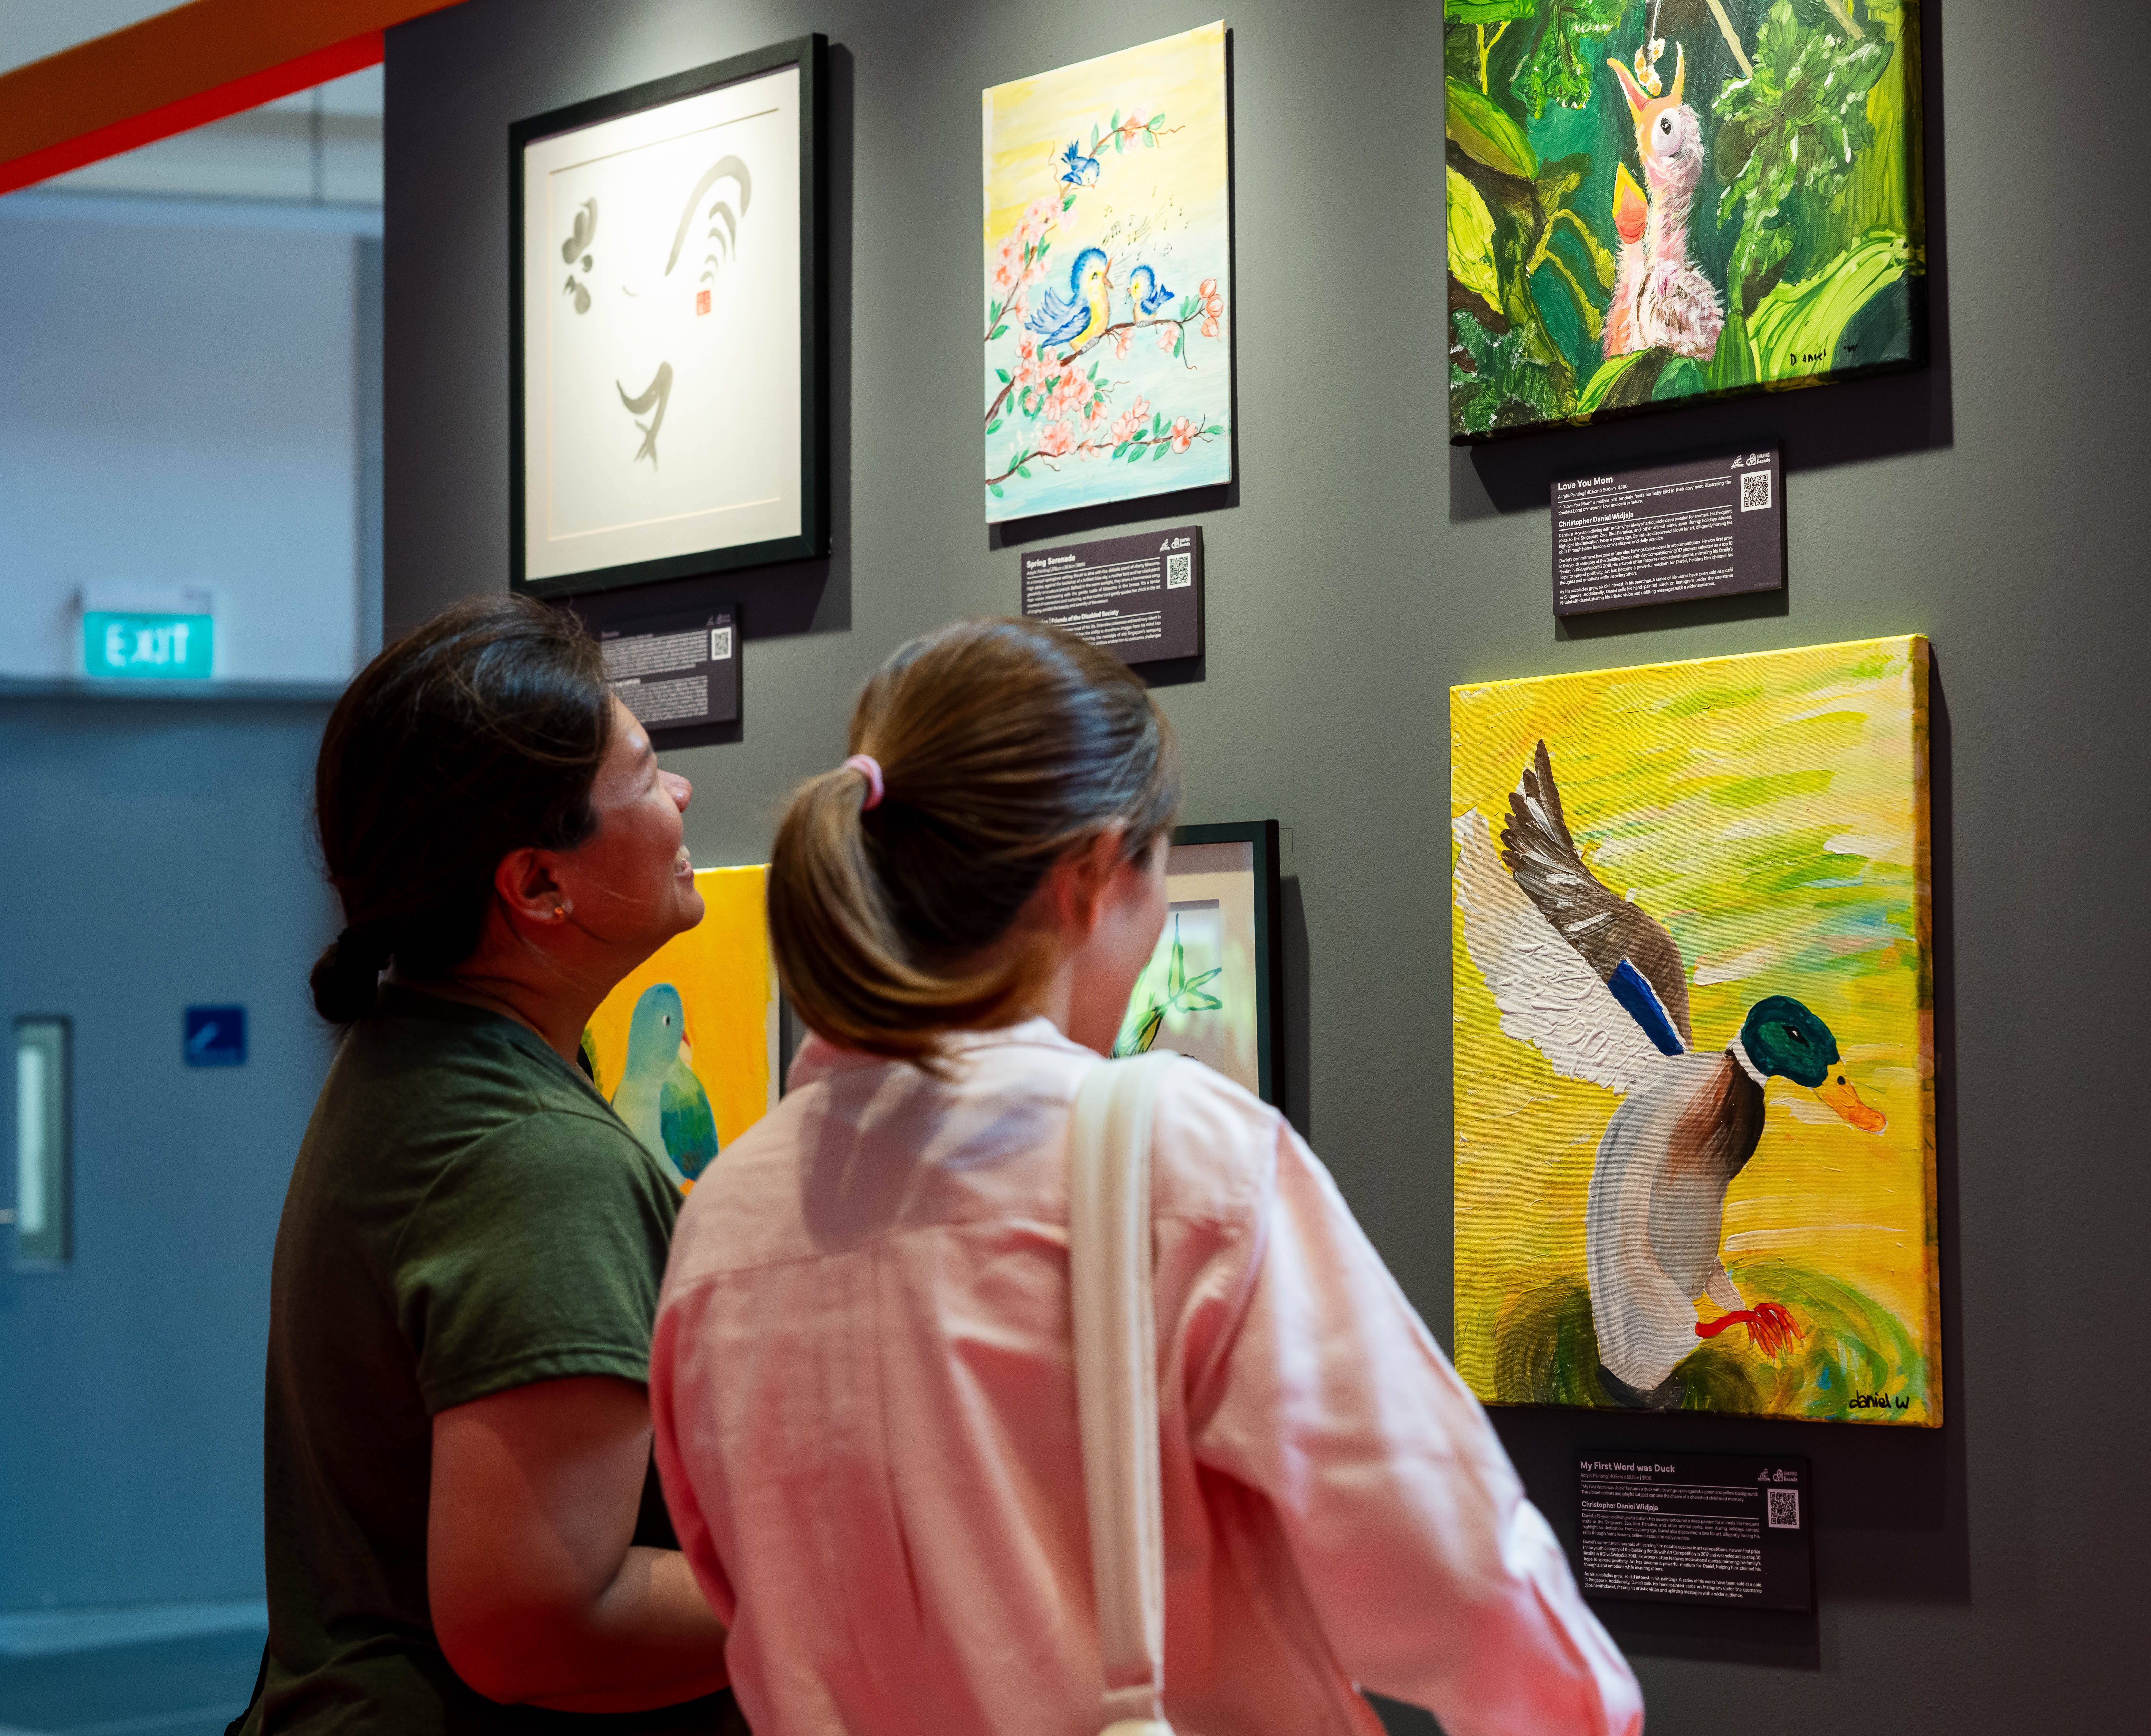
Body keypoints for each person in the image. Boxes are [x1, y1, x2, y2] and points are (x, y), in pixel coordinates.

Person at [650, 617, 1642, 1735]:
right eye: (1158, 871)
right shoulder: (1174, 1152)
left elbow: (738, 1596)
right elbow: (1459, 1584)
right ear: (1088, 881)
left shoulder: (723, 1219)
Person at [238, 594, 740, 1733]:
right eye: (650, 771)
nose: (681, 794)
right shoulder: (531, 1161)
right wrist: (867, 1573)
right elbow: (542, 1627)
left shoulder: (413, 1053)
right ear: (538, 886)